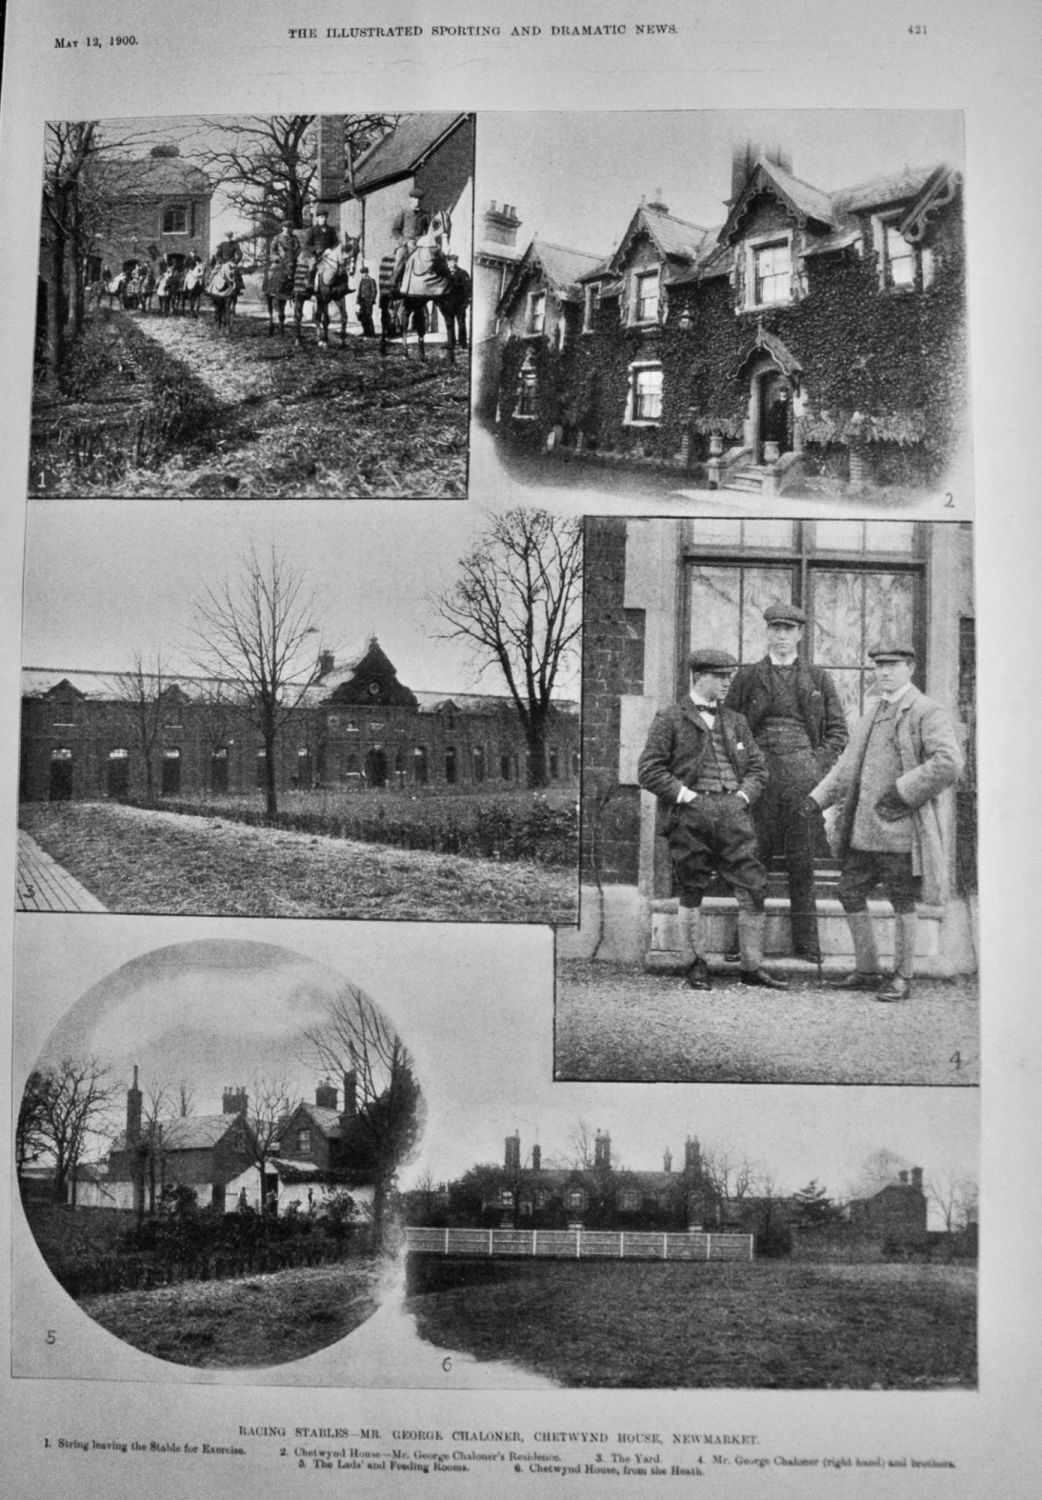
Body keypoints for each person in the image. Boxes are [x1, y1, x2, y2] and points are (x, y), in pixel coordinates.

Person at [805, 643, 964, 1001]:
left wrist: (904, 792)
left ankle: (902, 976)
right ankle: (867, 970)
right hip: (864, 830)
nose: (885, 672)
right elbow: (847, 767)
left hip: (901, 830)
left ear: (910, 668)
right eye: (879, 666)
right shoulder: (873, 711)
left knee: (902, 900)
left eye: (893, 665)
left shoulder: (926, 710)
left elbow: (949, 762)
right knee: (849, 892)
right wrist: (815, 800)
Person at [637, 647, 787, 991]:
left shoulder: (736, 721)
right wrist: (687, 797)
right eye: (720, 677)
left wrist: (742, 797)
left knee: (753, 887)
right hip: (691, 814)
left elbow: (758, 769)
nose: (726, 683)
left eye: (729, 676)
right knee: (692, 887)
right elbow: (648, 771)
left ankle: (751, 967)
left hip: (733, 813)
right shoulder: (669, 718)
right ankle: (695, 964)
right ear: (698, 677)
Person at [724, 602, 848, 965]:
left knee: (802, 862)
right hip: (759, 781)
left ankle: (807, 944)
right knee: (753, 860)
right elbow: (729, 729)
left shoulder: (818, 679)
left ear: (800, 634)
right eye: (775, 629)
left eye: (788, 629)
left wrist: (816, 763)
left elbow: (838, 732)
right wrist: (747, 768)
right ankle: (745, 944)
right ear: (767, 632)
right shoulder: (748, 677)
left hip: (802, 782)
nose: (781, 636)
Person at [390, 188, 429, 287]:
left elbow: (428, 232)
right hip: (405, 245)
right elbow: (395, 230)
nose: (417, 201)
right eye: (415, 198)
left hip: (419, 244)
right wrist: (406, 242)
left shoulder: (425, 215)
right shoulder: (403, 212)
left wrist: (422, 240)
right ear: (410, 199)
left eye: (419, 199)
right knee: (400, 258)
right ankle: (394, 284)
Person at [303, 208, 339, 292]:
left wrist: (331, 249)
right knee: (312, 266)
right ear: (317, 218)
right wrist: (316, 249)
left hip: (329, 254)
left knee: (339, 266)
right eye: (321, 217)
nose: (323, 219)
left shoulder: (331, 230)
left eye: (325, 217)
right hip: (317, 255)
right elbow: (307, 245)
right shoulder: (312, 230)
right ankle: (310, 284)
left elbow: (336, 243)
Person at [445, 252, 472, 348]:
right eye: (449, 262)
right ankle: (451, 343)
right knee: (449, 323)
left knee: (461, 323)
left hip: (460, 304)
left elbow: (468, 288)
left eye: (453, 262)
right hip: (448, 304)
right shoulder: (445, 274)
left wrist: (466, 302)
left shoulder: (462, 273)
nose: (451, 264)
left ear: (456, 262)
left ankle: (462, 343)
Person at [356, 263, 378, 336]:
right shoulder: (362, 281)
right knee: (362, 317)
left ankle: (371, 333)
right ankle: (365, 332)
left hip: (368, 301)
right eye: (361, 273)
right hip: (362, 301)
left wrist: (372, 299)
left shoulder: (371, 280)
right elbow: (359, 291)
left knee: (368, 316)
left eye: (363, 273)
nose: (362, 275)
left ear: (366, 273)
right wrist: (358, 301)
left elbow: (374, 291)